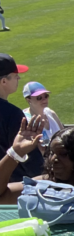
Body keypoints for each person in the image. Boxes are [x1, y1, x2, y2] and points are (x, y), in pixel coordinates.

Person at [0, 53, 43, 181]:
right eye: (15, 76)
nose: (18, 78)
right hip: (12, 189)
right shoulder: (12, 114)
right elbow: (31, 160)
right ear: (3, 81)